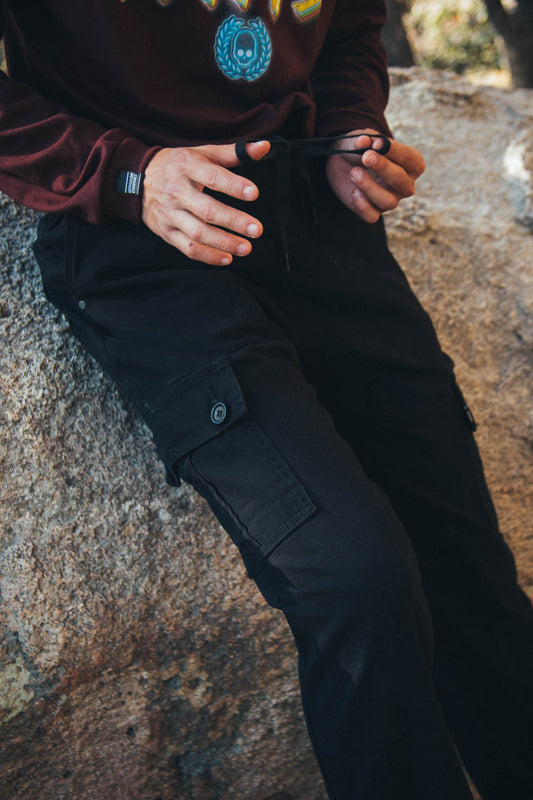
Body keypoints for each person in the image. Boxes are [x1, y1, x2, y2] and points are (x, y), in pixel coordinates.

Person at [1, 1, 532, 798]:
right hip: (143, 239)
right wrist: (123, 171)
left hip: (314, 203)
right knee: (355, 578)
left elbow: (352, 26)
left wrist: (354, 127)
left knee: (471, 574)